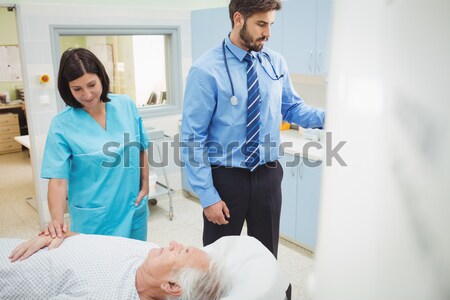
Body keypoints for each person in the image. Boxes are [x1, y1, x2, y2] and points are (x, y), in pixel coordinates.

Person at [181, 0, 325, 257]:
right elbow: (193, 139)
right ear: (238, 19)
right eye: (261, 24)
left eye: (271, 24)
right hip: (225, 179)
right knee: (219, 262)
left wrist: (334, 117)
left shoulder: (275, 63)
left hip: (268, 176)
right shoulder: (205, 70)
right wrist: (207, 196)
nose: (268, 33)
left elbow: (292, 109)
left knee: (267, 255)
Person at [41, 48, 150, 241]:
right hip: (95, 217)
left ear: (101, 77)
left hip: (133, 207)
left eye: (91, 84)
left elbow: (141, 146)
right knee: (100, 268)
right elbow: (57, 180)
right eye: (77, 89)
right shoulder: (62, 124)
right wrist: (57, 221)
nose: (87, 94)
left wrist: (145, 184)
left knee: (137, 265)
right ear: (68, 89)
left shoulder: (125, 104)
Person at [2, 233, 230, 300]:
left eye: (179, 252)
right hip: (16, 246)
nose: (172, 242)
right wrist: (55, 234)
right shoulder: (147, 251)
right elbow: (85, 239)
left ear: (171, 285)